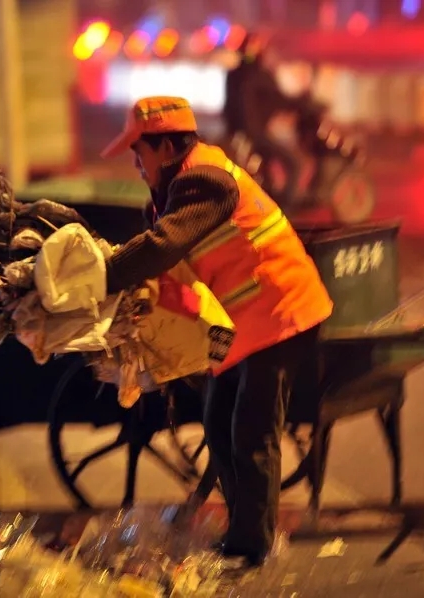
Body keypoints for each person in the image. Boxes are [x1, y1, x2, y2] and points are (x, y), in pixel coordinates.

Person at [100, 96, 333, 567]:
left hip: (283, 311)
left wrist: (99, 275)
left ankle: (253, 544)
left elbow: (164, 246)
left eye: (138, 151)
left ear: (165, 148)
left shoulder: (205, 181)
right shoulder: (173, 190)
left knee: (250, 430)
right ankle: (242, 532)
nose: (135, 163)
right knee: (218, 422)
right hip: (246, 322)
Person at [223, 31, 308, 199]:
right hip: (256, 135)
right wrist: (303, 101)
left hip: (237, 135)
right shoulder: (259, 76)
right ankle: (287, 210)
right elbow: (281, 100)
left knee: (267, 175)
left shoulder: (233, 75)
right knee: (295, 164)